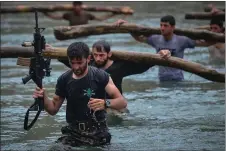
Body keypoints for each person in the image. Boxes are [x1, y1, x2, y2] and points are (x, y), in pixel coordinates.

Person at [33, 42, 127, 147]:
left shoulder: (101, 76)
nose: (76, 67)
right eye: (72, 63)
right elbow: (53, 109)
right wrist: (44, 97)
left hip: (98, 133)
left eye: (79, 62)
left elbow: (122, 102)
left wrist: (105, 103)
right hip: (73, 133)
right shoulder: (64, 79)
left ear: (88, 59)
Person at [115, 15, 216, 82]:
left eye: (165, 25)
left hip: (178, 80)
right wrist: (127, 26)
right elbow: (139, 38)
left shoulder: (182, 40)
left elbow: (203, 43)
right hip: (162, 79)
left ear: (172, 27)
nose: (162, 28)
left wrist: (219, 37)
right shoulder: (156, 39)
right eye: (161, 25)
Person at [58, 40, 154, 94]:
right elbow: (73, 61)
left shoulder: (119, 67)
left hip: (113, 103)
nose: (98, 58)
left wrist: (160, 56)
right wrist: (51, 52)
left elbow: (141, 67)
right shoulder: (90, 64)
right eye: (95, 55)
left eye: (101, 55)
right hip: (94, 102)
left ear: (109, 54)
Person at [43, 1, 117, 26]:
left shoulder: (86, 14)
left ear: (81, 7)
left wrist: (113, 14)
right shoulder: (69, 14)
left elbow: (100, 19)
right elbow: (57, 17)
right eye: (76, 6)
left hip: (84, 34)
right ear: (73, 7)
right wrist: (46, 13)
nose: (77, 8)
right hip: (72, 34)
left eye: (79, 6)